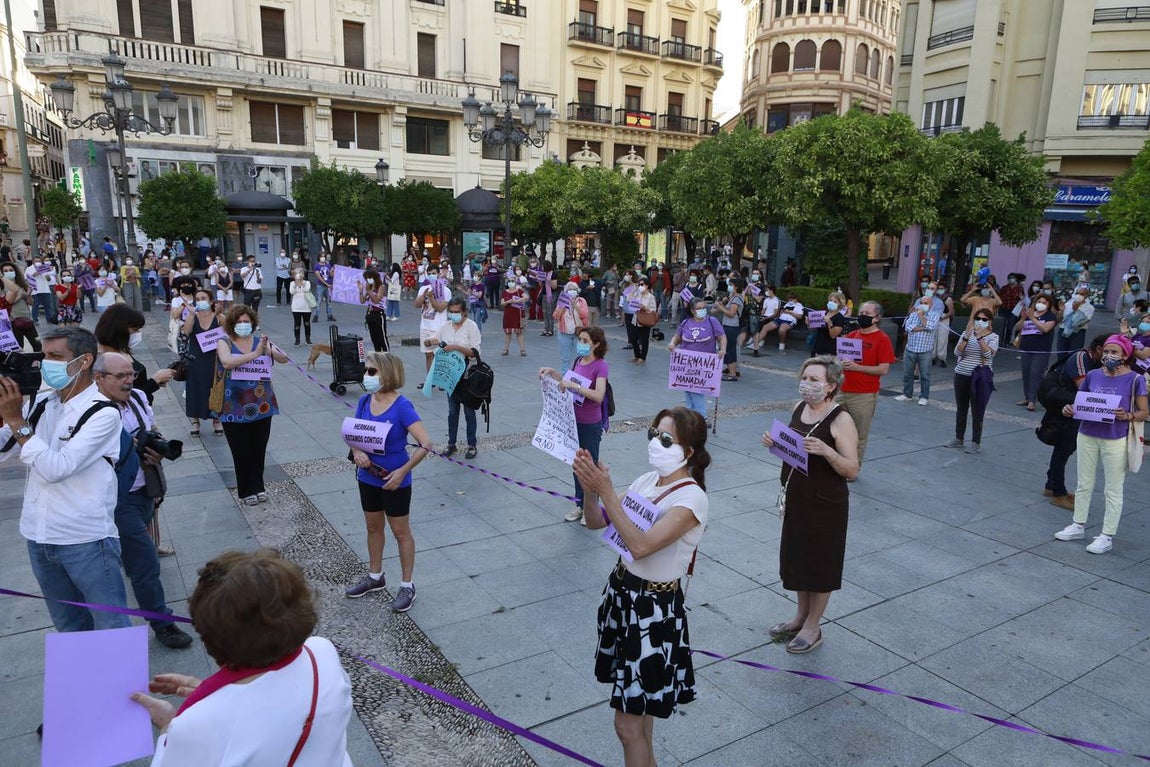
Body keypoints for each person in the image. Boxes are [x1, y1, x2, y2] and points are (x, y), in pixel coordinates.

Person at [572, 407, 710, 767]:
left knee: (627, 725)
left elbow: (641, 546)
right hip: (623, 596)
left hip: (654, 610)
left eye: (666, 439)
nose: (655, 443)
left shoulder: (691, 498)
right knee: (640, 717)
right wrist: (591, 493)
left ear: (689, 451)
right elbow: (595, 523)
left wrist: (609, 493)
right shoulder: (646, 481)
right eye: (652, 433)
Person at [131, 549, 354, 766]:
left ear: (210, 641)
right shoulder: (322, 652)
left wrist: (169, 727)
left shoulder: (195, 726)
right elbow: (273, 703)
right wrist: (219, 697)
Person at [0, 326, 132, 633]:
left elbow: (57, 467)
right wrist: (10, 417)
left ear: (84, 361)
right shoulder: (44, 403)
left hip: (85, 539)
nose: (47, 364)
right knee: (68, 625)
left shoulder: (103, 413)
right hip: (39, 534)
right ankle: (84, 682)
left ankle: (123, 684)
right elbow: (6, 446)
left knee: (111, 625)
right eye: (44, 356)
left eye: (56, 356)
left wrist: (18, 421)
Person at [93, 352, 193, 649]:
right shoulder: (91, 410)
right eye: (121, 377)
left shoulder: (137, 397)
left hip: (144, 488)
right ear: (98, 378)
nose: (128, 381)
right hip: (116, 496)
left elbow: (152, 429)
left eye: (131, 375)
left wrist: (157, 448)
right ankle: (162, 623)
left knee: (138, 558)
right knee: (144, 562)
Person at [762, 356, 858, 654]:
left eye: (814, 380)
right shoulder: (798, 408)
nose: (807, 384)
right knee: (798, 560)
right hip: (797, 499)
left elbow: (852, 470)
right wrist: (775, 444)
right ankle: (800, 616)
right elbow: (794, 452)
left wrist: (828, 451)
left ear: (831, 386)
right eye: (805, 377)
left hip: (826, 503)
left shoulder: (841, 419)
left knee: (820, 564)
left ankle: (813, 625)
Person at [344, 352, 433, 612]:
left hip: (395, 481)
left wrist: (403, 471)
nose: (366, 376)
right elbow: (354, 433)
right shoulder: (364, 401)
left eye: (371, 372)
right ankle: (375, 577)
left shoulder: (402, 406)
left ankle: (407, 585)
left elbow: (425, 444)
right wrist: (357, 452)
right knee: (373, 527)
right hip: (367, 478)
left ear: (387, 374)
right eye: (366, 370)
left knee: (400, 532)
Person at [1053, 334, 1148, 555]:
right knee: (1083, 483)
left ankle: (1106, 535)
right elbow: (1081, 402)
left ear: (1125, 355)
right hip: (1087, 434)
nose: (1108, 356)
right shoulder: (1094, 375)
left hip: (1115, 438)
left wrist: (1128, 416)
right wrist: (1070, 408)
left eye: (1114, 352)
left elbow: (1145, 412)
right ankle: (1078, 524)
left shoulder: (1135, 379)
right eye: (1106, 351)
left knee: (1113, 489)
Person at [216, 305, 289, 506]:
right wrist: (256, 354)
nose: (243, 325)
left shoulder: (260, 342)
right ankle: (246, 490)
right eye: (239, 322)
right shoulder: (224, 342)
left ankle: (258, 487)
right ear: (232, 324)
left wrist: (267, 349)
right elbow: (227, 362)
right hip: (234, 406)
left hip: (261, 404)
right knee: (241, 450)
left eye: (246, 321)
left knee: (258, 448)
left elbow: (283, 359)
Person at [541, 326, 609, 524]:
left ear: (596, 344)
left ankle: (592, 508)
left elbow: (598, 395)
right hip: (573, 420)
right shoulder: (579, 360)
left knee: (590, 465)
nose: (581, 343)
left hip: (590, 423)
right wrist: (553, 373)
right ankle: (580, 505)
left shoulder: (601, 365)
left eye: (585, 340)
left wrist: (576, 387)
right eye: (580, 339)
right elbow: (567, 383)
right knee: (577, 464)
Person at [1041, 334, 1106, 510]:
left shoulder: (1098, 361)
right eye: (1108, 351)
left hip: (1078, 409)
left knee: (1066, 449)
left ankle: (1050, 485)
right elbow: (1086, 388)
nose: (1111, 355)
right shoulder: (1081, 357)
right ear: (1099, 349)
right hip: (1067, 407)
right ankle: (1058, 494)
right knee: (1062, 450)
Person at [835, 301, 895, 467]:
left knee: (859, 434)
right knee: (833, 427)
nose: (862, 316)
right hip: (842, 390)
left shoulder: (882, 339)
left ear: (877, 318)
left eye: (867, 314)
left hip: (864, 394)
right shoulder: (852, 335)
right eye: (861, 312)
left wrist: (857, 367)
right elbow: (839, 359)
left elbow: (883, 369)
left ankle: (852, 467)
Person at [425, 298, 482, 459]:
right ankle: (452, 443)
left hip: (468, 376)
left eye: (457, 312)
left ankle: (472, 445)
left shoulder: (472, 326)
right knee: (452, 411)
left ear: (464, 312)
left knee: (469, 412)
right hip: (451, 376)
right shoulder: (446, 327)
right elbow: (435, 338)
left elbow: (475, 352)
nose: (454, 315)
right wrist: (429, 341)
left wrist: (456, 347)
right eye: (452, 312)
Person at [95, 303, 176, 405]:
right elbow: (124, 397)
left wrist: (155, 382)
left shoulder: (121, 349)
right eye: (135, 330)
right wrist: (154, 381)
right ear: (120, 329)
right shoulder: (104, 358)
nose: (137, 334)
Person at [945, 307, 999, 454]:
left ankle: (976, 441)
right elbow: (957, 351)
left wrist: (980, 337)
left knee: (977, 409)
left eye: (984, 319)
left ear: (989, 322)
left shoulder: (993, 337)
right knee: (961, 407)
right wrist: (967, 336)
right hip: (962, 374)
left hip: (980, 377)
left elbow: (988, 354)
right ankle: (959, 437)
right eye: (978, 319)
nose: (980, 322)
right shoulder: (966, 334)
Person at [668, 297, 726, 419]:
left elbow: (721, 336)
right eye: (699, 308)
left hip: (704, 364)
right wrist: (672, 344)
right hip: (687, 363)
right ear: (692, 310)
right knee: (688, 390)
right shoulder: (686, 323)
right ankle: (692, 415)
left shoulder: (712, 321)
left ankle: (701, 416)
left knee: (697, 390)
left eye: (704, 308)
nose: (702, 310)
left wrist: (722, 349)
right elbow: (677, 337)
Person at [181, 289, 224, 436]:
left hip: (215, 359)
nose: (200, 301)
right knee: (195, 388)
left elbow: (229, 331)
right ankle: (195, 421)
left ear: (211, 301)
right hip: (196, 358)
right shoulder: (193, 316)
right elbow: (186, 331)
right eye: (197, 299)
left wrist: (220, 314)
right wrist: (192, 314)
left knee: (215, 388)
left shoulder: (218, 317)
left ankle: (216, 419)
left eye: (203, 298)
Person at [1014, 294, 1058, 411]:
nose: (1041, 304)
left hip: (1041, 350)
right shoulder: (1029, 314)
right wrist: (1024, 318)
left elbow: (1045, 329)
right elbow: (1017, 327)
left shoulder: (1050, 317)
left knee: (1035, 374)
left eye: (1044, 302)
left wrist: (1032, 318)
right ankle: (1027, 397)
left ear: (1048, 305)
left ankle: (1033, 400)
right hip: (1026, 348)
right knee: (1026, 374)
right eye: (1039, 301)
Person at [895, 294, 940, 405]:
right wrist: (924, 327)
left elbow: (931, 327)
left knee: (925, 375)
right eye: (922, 303)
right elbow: (909, 328)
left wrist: (921, 317)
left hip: (925, 350)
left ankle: (924, 396)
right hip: (910, 349)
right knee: (908, 374)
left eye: (926, 303)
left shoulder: (935, 315)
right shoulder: (913, 314)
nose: (923, 305)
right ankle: (907, 394)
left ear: (931, 304)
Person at [415, 265, 449, 380]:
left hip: (439, 327)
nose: (432, 275)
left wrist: (432, 298)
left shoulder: (445, 290)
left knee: (439, 354)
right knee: (428, 354)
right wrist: (424, 295)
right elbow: (416, 305)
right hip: (425, 326)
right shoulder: (423, 288)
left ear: (439, 274)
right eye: (429, 273)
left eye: (434, 273)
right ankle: (430, 379)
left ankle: (441, 379)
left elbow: (440, 308)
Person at [554, 280, 590, 375]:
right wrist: (563, 307)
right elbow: (556, 316)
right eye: (570, 289)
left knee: (581, 355)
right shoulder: (562, 300)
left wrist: (575, 306)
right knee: (565, 358)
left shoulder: (581, 301)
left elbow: (585, 315)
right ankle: (564, 376)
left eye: (574, 289)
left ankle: (580, 375)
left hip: (579, 333)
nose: (572, 291)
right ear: (566, 291)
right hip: (564, 333)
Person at [713, 277, 745, 381]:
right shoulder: (733, 297)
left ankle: (732, 374)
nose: (729, 287)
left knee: (727, 349)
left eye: (731, 285)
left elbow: (731, 314)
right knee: (730, 349)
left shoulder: (737, 299)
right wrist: (721, 306)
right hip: (728, 325)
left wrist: (720, 307)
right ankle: (732, 370)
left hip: (731, 326)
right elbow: (728, 310)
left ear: (736, 287)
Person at [810, 290, 851, 357]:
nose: (832, 303)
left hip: (829, 352)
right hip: (817, 349)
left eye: (835, 302)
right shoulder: (823, 314)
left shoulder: (840, 318)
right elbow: (813, 329)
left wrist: (829, 323)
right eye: (831, 300)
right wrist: (809, 323)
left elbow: (833, 335)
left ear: (840, 304)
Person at [1057, 284, 1094, 354]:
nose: (1079, 295)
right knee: (1061, 355)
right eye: (1077, 293)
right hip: (1063, 331)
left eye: (1082, 294)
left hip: (1077, 333)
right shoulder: (1067, 304)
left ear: (1086, 295)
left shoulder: (1090, 308)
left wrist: (1075, 310)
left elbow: (1079, 323)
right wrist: (1061, 311)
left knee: (1073, 355)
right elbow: (1059, 320)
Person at [359, 269, 388, 352]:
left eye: (370, 277)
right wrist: (361, 291)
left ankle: (386, 355)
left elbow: (376, 300)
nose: (368, 280)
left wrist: (369, 291)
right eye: (367, 278)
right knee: (374, 338)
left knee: (381, 337)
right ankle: (378, 354)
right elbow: (362, 301)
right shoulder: (370, 287)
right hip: (370, 314)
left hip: (378, 314)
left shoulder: (381, 287)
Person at [629, 277, 657, 365]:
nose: (640, 286)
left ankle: (642, 357)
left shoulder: (651, 297)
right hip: (636, 319)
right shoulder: (638, 294)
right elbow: (629, 299)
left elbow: (653, 310)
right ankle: (636, 355)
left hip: (645, 320)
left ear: (647, 286)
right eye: (639, 284)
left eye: (642, 284)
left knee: (644, 340)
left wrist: (645, 307)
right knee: (633, 338)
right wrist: (634, 289)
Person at [501, 273, 528, 356]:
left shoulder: (519, 291)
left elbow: (526, 297)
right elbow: (502, 303)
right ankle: (506, 349)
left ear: (516, 282)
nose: (510, 282)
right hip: (508, 314)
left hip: (518, 314)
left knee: (519, 332)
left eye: (512, 281)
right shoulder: (505, 292)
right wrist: (508, 302)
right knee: (507, 332)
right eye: (509, 281)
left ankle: (522, 349)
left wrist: (517, 301)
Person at [289, 268, 314, 346]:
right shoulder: (292, 283)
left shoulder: (307, 282)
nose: (298, 274)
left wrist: (301, 282)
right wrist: (296, 283)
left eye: (300, 273)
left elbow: (306, 289)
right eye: (296, 273)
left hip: (306, 306)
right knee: (297, 324)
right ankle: (297, 340)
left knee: (307, 323)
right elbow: (292, 291)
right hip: (296, 307)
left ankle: (308, 339)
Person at [932, 283, 954, 367]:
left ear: (945, 289)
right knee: (933, 338)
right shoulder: (934, 298)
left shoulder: (948, 299)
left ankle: (942, 358)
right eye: (939, 288)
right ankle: (932, 357)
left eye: (942, 288)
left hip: (944, 319)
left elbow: (951, 311)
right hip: (934, 319)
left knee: (942, 339)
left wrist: (943, 317)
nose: (940, 290)